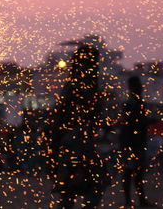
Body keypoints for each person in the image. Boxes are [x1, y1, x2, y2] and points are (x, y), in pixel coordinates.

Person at [50, 45, 109, 209]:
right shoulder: (82, 85)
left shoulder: (75, 83)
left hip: (73, 142)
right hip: (77, 143)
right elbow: (63, 115)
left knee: (71, 189)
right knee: (93, 184)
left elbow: (58, 117)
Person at [120, 76, 156, 207]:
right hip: (131, 142)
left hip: (135, 141)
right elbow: (131, 123)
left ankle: (138, 200)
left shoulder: (136, 101)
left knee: (136, 172)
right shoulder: (131, 102)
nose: (141, 87)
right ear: (132, 87)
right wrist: (148, 121)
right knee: (130, 172)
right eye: (138, 85)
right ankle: (130, 201)